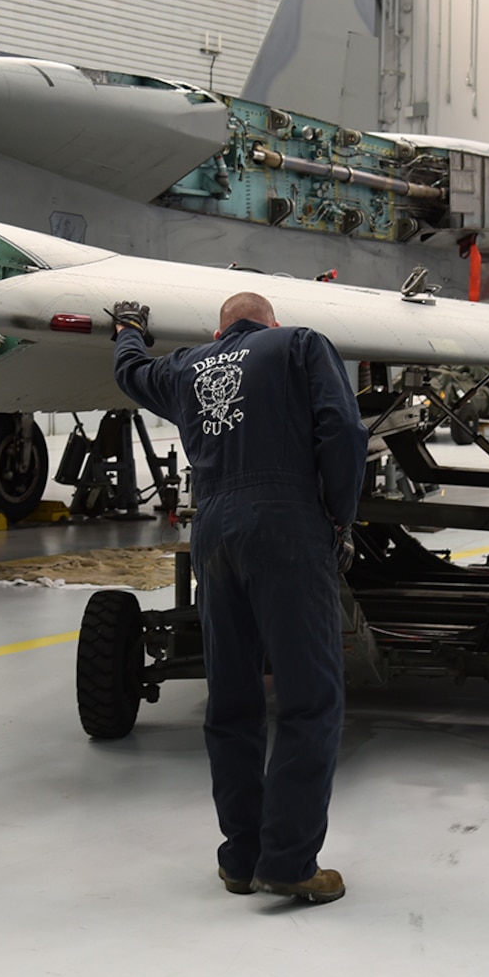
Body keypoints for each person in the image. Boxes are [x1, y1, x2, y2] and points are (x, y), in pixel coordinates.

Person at [111, 292, 368, 904]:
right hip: (285, 525)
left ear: (220, 329)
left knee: (231, 703)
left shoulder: (186, 365)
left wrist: (127, 330)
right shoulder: (300, 344)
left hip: (213, 532)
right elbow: (343, 430)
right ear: (268, 321)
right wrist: (340, 518)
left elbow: (129, 373)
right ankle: (289, 861)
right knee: (310, 699)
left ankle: (240, 858)